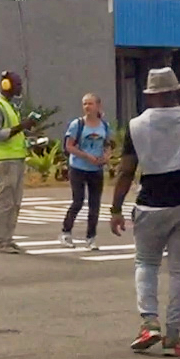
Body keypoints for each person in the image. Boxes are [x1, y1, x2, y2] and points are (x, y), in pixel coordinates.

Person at [109, 67, 180, 357]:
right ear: (176, 92)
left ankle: (149, 323)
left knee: (146, 264)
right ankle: (174, 335)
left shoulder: (137, 125)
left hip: (149, 204)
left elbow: (126, 171)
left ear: (150, 96)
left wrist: (115, 208)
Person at [0, 71, 35, 253]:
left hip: (15, 159)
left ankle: (8, 238)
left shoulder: (9, 106)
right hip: (3, 161)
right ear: (6, 85)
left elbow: (12, 132)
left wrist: (26, 134)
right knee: (5, 202)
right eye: (18, 84)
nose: (20, 88)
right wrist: (21, 126)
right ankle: (0, 241)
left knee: (15, 202)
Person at [60, 94, 110, 249]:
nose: (87, 107)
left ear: (98, 105)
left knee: (95, 205)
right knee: (78, 201)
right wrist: (86, 156)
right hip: (78, 167)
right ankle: (66, 232)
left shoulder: (104, 126)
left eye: (90, 103)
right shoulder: (78, 124)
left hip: (96, 169)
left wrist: (106, 157)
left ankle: (91, 237)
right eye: (85, 104)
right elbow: (69, 146)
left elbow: (108, 144)